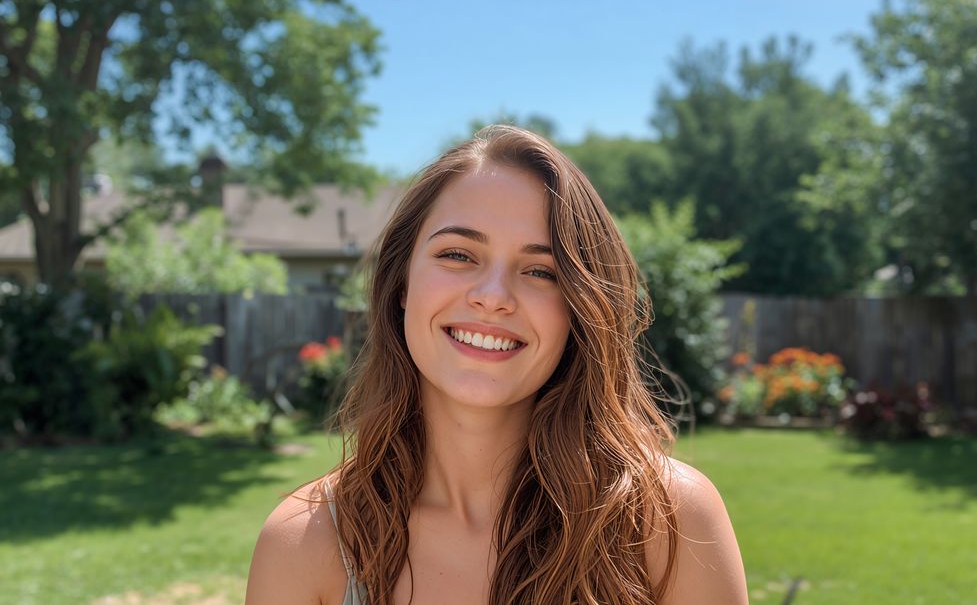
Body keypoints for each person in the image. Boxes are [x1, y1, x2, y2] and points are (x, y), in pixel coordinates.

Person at [246, 125, 748, 604]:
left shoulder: (669, 520)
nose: (493, 297)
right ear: (401, 284)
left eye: (540, 270)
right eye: (459, 255)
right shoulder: (303, 542)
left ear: (580, 309)